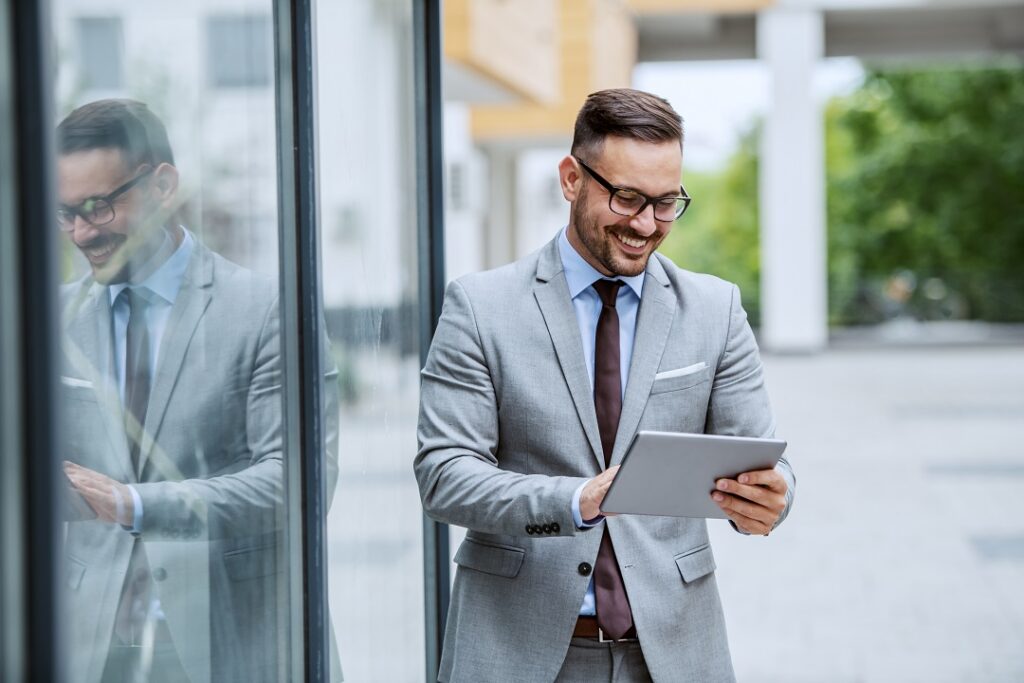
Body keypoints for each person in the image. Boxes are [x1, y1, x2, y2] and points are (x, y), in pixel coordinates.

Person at [415, 88, 796, 682]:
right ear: (571, 178)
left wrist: (774, 497)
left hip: (672, 652)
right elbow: (444, 475)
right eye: (626, 198)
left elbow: (761, 455)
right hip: (519, 650)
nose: (646, 225)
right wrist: (577, 500)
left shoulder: (715, 310)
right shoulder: (480, 307)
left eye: (667, 203)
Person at [57, 99, 340, 683]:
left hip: (230, 641)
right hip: (89, 645)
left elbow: (298, 482)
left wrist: (132, 505)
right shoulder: (52, 319)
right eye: (65, 213)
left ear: (163, 186)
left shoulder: (267, 310)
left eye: (99, 207)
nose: (82, 233)